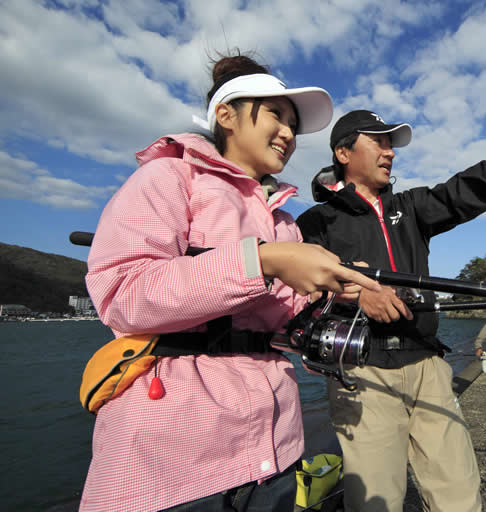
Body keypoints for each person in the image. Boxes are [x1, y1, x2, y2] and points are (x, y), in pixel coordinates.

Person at [79, 53, 381, 512]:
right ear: (226, 116)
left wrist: (332, 298)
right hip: (172, 463)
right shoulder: (167, 177)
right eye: (276, 116)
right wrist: (261, 262)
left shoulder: (284, 221)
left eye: (293, 128)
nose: (287, 134)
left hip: (277, 449)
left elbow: (284, 328)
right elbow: (122, 295)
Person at [297, 101, 486, 511]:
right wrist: (353, 292)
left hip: (427, 367)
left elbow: (473, 185)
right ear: (343, 153)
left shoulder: (411, 208)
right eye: (379, 142)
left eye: (392, 144)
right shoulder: (312, 223)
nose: (390, 151)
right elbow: (296, 294)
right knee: (376, 502)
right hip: (360, 375)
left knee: (459, 495)